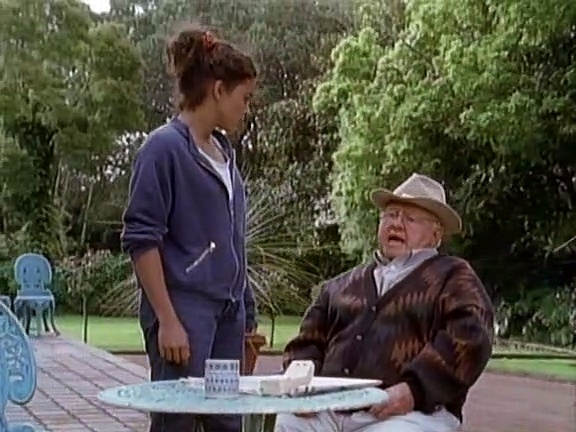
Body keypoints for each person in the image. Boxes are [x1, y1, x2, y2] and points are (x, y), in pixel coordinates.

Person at [275, 173, 494, 432]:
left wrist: (415, 389)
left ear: (435, 235)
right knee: (289, 421)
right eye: (391, 215)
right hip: (330, 407)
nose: (396, 224)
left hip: (414, 411)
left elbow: (472, 338)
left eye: (409, 219)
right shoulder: (340, 285)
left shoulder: (453, 276)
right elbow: (305, 343)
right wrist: (301, 382)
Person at [121, 24, 258, 432]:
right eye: (244, 98)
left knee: (226, 422)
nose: (246, 109)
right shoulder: (163, 149)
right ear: (218, 90)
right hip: (184, 312)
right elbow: (141, 240)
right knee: (176, 422)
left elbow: (233, 243)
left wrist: (247, 317)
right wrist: (167, 319)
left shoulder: (224, 155)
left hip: (228, 315)